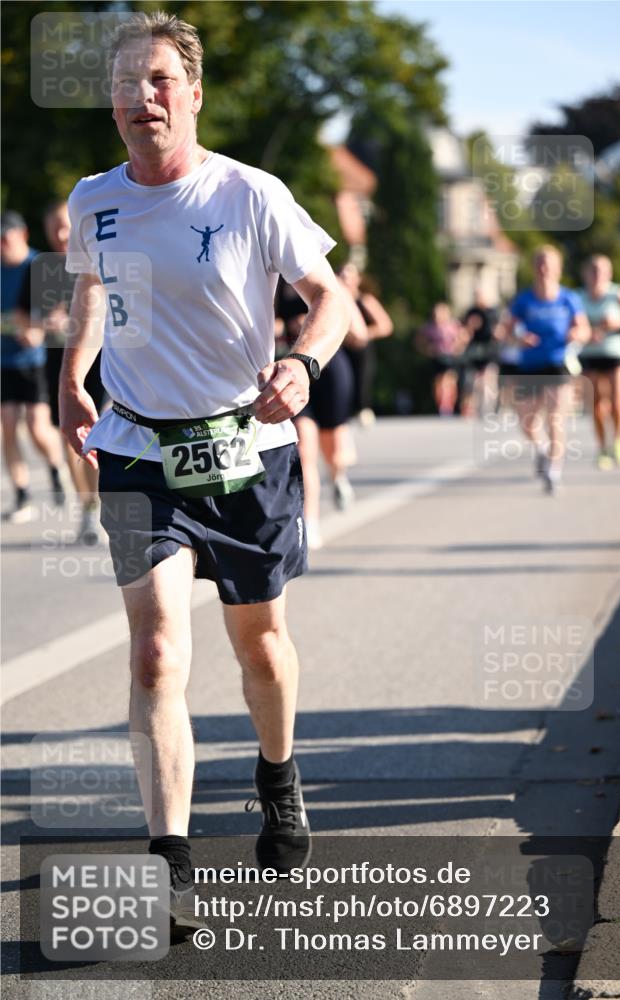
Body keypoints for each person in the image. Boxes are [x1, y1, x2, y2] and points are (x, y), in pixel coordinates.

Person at [58, 11, 349, 938]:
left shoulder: (249, 194)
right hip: (141, 450)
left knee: (259, 646)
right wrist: (75, 370)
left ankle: (277, 774)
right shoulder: (91, 198)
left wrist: (301, 366)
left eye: (158, 81)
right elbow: (97, 285)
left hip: (246, 449)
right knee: (154, 650)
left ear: (191, 94)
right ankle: (168, 861)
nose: (142, 98)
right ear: (110, 102)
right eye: (126, 83)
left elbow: (329, 298)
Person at [17, 200, 107, 543]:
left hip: (101, 364)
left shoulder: (101, 259)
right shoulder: (42, 267)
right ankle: (87, 510)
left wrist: (77, 322)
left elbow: (122, 312)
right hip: (58, 366)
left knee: (99, 438)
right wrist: (39, 326)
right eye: (54, 226)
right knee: (71, 440)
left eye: (65, 225)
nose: (60, 233)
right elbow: (25, 315)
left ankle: (100, 505)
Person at [276, 275, 368, 549]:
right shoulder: (276, 283)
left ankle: (338, 476)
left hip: (329, 369)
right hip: (293, 369)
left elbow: (360, 334)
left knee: (335, 453)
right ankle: (310, 522)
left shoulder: (329, 281)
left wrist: (324, 326)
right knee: (304, 450)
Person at [497, 245, 590, 495]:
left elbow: (584, 329)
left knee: (555, 417)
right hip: (529, 365)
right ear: (533, 268)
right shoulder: (524, 300)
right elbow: (505, 330)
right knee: (527, 422)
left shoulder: (568, 298)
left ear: (558, 269)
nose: (543, 268)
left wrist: (575, 334)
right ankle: (540, 448)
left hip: (558, 363)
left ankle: (553, 471)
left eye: (548, 263)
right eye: (539, 263)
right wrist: (519, 338)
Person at [1, 210, 66, 522]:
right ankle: (22, 495)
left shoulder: (40, 265)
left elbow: (60, 309)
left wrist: (38, 328)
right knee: (8, 426)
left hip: (36, 360)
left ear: (22, 235)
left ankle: (56, 469)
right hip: (4, 360)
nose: (2, 246)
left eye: (6, 239)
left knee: (37, 427)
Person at [577, 255, 620, 468]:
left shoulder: (618, 294)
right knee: (596, 407)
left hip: (616, 355)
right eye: (593, 270)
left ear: (609, 273)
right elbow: (573, 326)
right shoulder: (579, 297)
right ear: (585, 273)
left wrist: (619, 323)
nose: (597, 274)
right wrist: (585, 333)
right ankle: (603, 448)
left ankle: (619, 440)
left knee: (618, 404)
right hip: (590, 356)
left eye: (601, 270)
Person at [339, 262, 393, 426]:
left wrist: (362, 334)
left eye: (349, 275)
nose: (345, 279)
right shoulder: (336, 300)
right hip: (341, 349)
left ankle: (363, 410)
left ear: (358, 279)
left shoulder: (365, 300)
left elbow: (385, 325)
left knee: (362, 381)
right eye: (342, 275)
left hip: (361, 349)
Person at [415, 302, 466, 416]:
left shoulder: (453, 325)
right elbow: (419, 341)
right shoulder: (429, 327)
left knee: (450, 381)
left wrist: (457, 348)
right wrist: (427, 350)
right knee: (439, 383)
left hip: (450, 358)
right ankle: (443, 406)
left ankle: (450, 404)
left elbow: (463, 338)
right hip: (437, 358)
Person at [460, 291, 500, 417]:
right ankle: (472, 407)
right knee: (472, 380)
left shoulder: (492, 311)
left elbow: (498, 330)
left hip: (489, 348)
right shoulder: (471, 311)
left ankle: (491, 406)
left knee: (488, 377)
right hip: (474, 348)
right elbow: (466, 329)